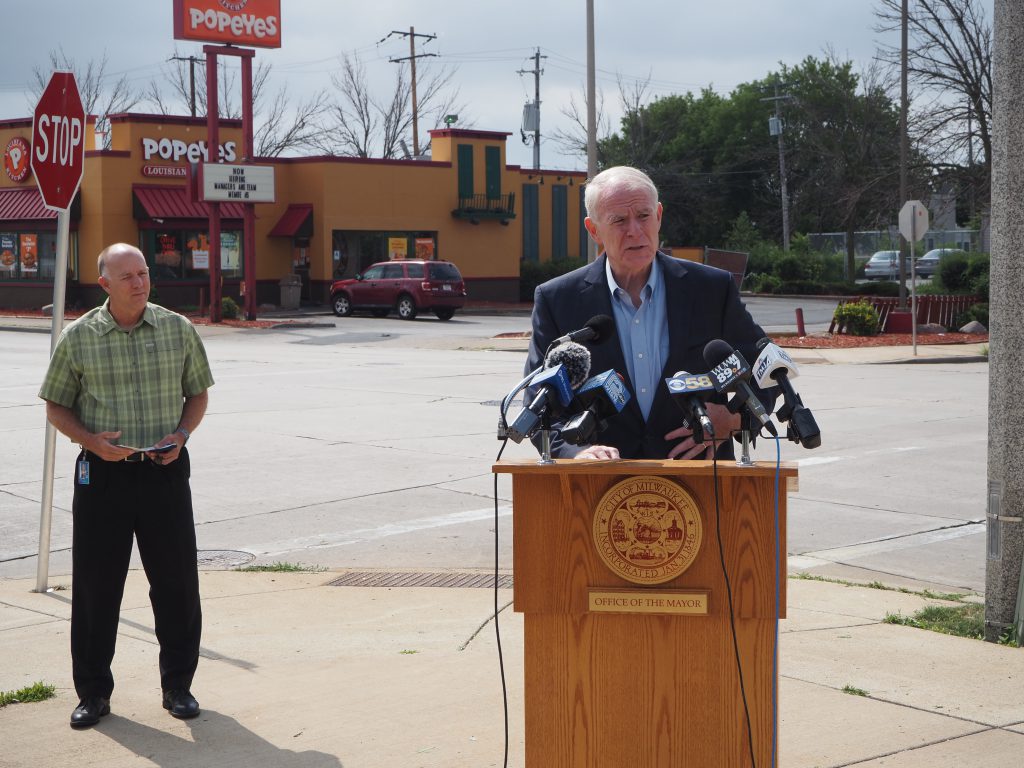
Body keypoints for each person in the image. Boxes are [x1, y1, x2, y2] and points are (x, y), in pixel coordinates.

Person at [38, 243, 214, 728]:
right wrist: (92, 441)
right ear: (105, 284)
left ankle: (178, 686)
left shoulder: (177, 329)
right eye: (128, 276)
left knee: (177, 584)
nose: (140, 282)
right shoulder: (78, 338)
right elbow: (56, 405)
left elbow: (198, 393)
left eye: (143, 273)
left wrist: (181, 435)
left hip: (164, 470)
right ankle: (93, 694)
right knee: (97, 588)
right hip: (104, 477)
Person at [524, 166, 771, 460]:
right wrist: (575, 452)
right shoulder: (557, 300)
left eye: (643, 216)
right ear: (593, 230)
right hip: (599, 488)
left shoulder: (712, 289)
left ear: (659, 216)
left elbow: (769, 370)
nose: (635, 230)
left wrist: (734, 419)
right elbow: (538, 411)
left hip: (700, 480)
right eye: (619, 220)